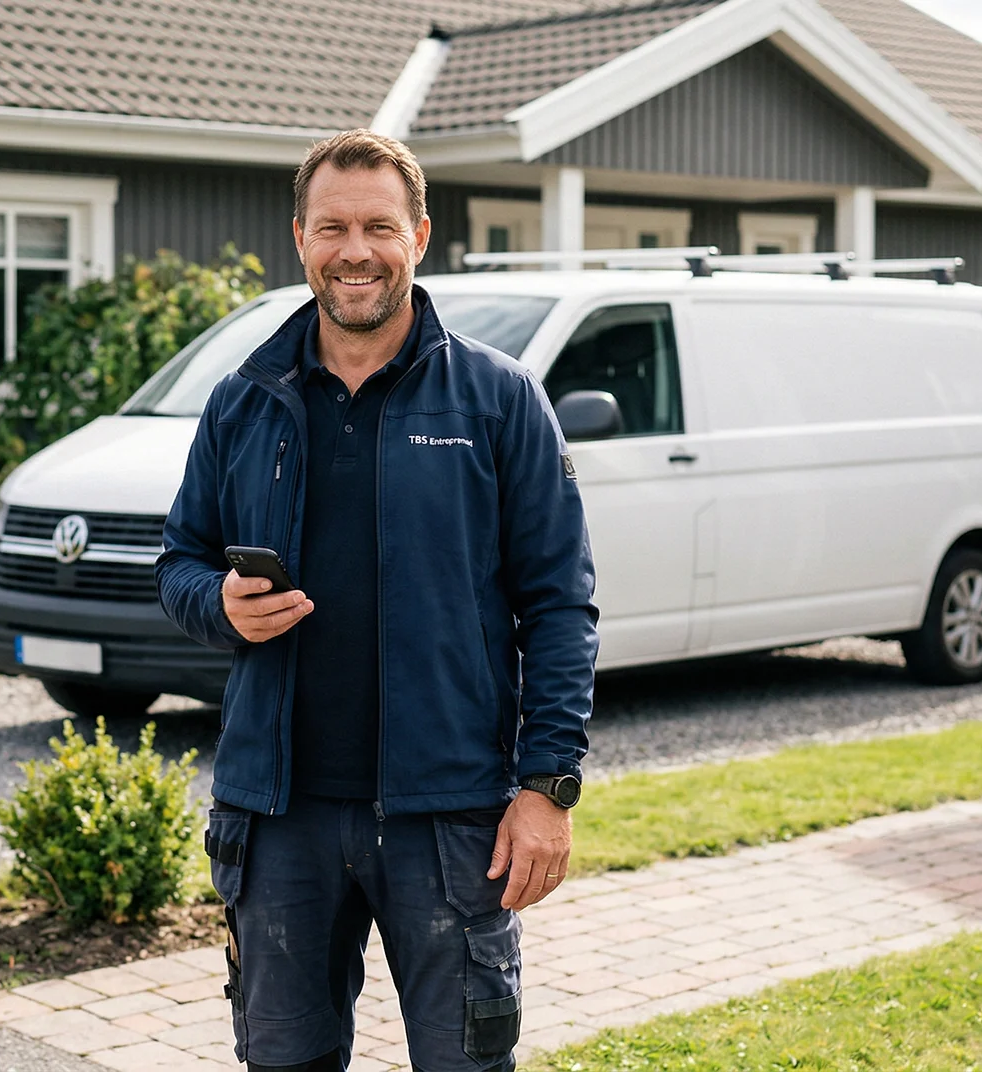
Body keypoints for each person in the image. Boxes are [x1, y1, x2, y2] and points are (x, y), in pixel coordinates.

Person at [157, 129, 598, 1072]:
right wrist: (219, 604)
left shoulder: (499, 400)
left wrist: (547, 787)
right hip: (279, 822)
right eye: (332, 228)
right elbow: (177, 563)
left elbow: (561, 605)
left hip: (449, 820)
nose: (355, 250)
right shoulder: (245, 400)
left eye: (377, 227)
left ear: (420, 236)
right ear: (301, 238)